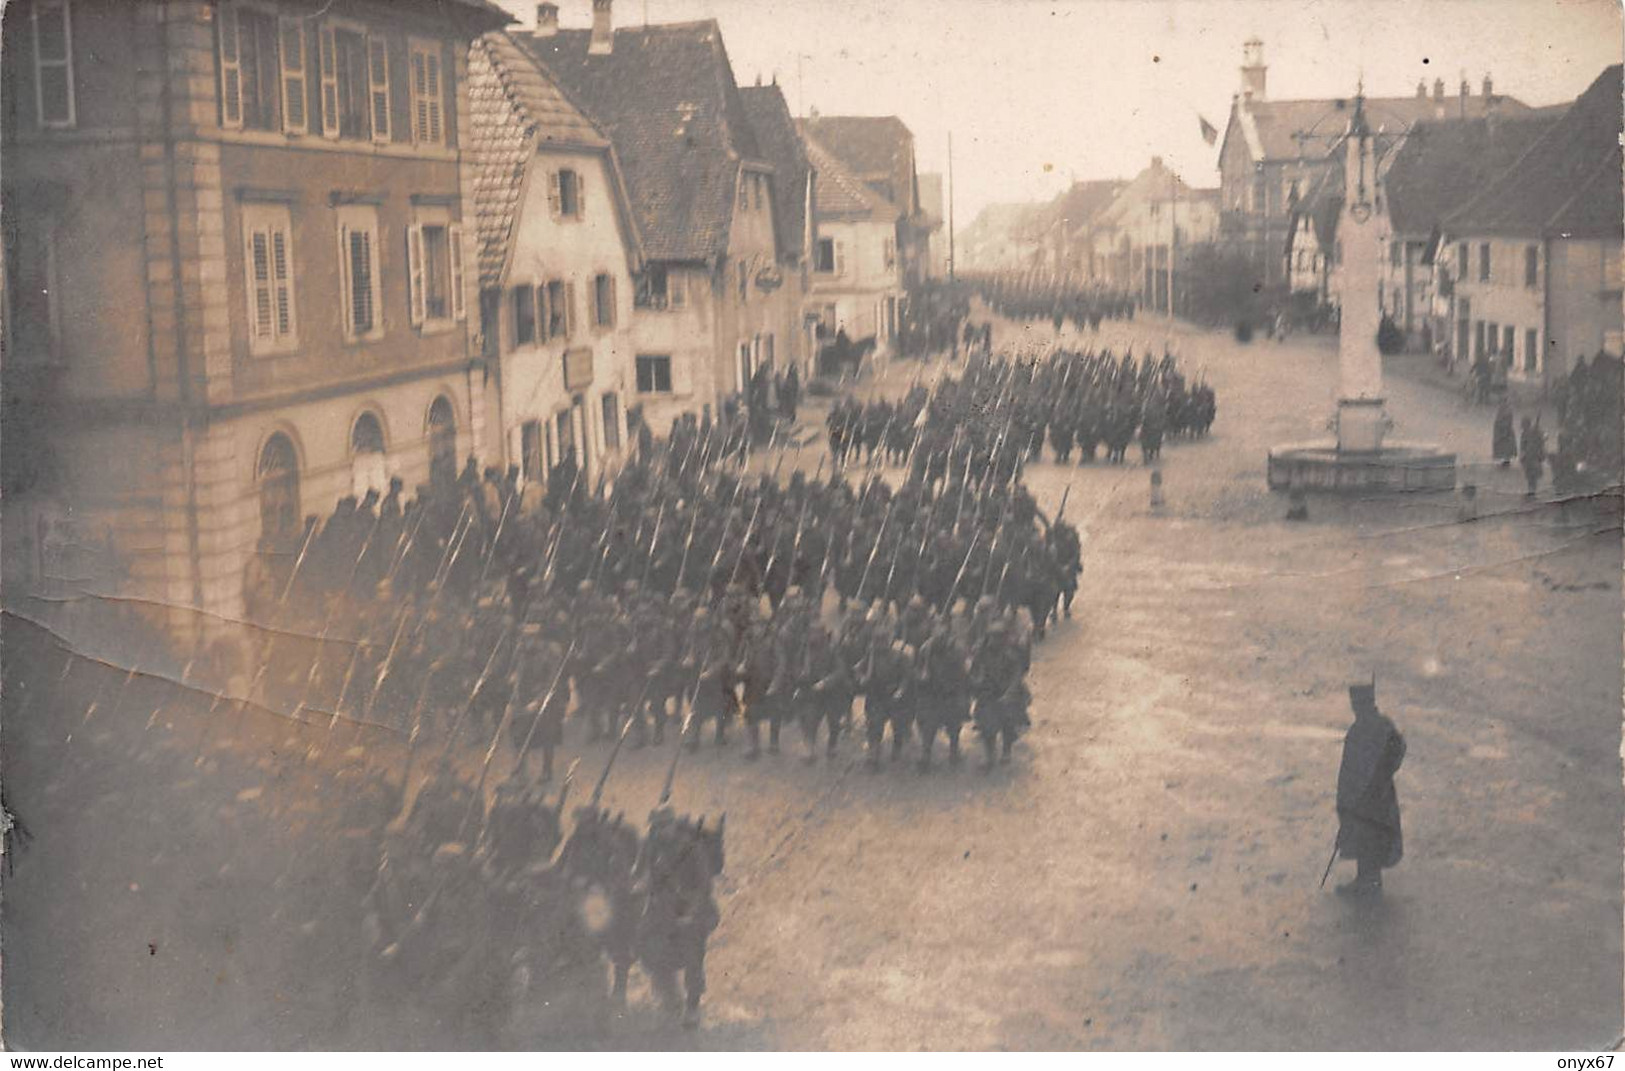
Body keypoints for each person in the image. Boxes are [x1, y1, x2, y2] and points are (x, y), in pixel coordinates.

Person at [1333, 680, 1406, 896]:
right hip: (1375, 794)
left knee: (1368, 838)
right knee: (1369, 838)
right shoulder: (1380, 725)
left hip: (1369, 795)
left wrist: (1379, 777)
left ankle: (1368, 884)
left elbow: (1396, 750)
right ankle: (1367, 881)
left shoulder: (1362, 729)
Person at [1519, 416, 1546, 497]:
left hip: (1534, 456)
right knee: (1529, 473)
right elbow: (1522, 445)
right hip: (1528, 456)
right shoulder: (1525, 433)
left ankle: (1532, 489)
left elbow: (1542, 440)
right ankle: (1531, 488)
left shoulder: (1535, 432)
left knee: (1533, 474)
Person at [1491, 398, 1517, 467]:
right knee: (1502, 446)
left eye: (1502, 402)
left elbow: (1508, 421)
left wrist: (1504, 429)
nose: (1500, 404)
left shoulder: (1507, 411)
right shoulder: (1501, 410)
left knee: (1505, 446)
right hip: (1501, 430)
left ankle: (1506, 461)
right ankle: (1504, 460)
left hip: (1505, 431)